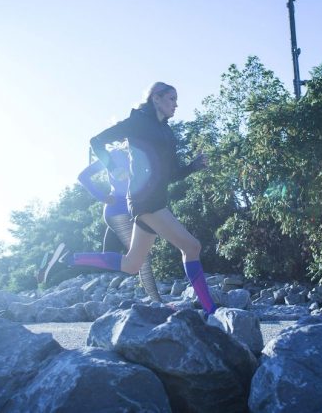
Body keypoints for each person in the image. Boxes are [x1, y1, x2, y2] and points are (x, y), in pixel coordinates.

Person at [64, 82, 216, 315]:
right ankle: (211, 311)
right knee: (192, 246)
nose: (176, 104)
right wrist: (113, 167)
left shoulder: (167, 132)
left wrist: (194, 166)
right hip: (146, 200)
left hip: (155, 199)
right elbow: (96, 141)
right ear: (156, 98)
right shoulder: (137, 122)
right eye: (171, 99)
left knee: (132, 264)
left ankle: (71, 259)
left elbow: (172, 174)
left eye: (176, 100)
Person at [77, 146, 163, 302]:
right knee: (141, 258)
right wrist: (102, 197)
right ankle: (157, 302)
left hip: (134, 209)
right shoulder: (114, 156)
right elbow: (83, 177)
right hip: (117, 210)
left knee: (135, 259)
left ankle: (69, 258)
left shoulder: (142, 154)